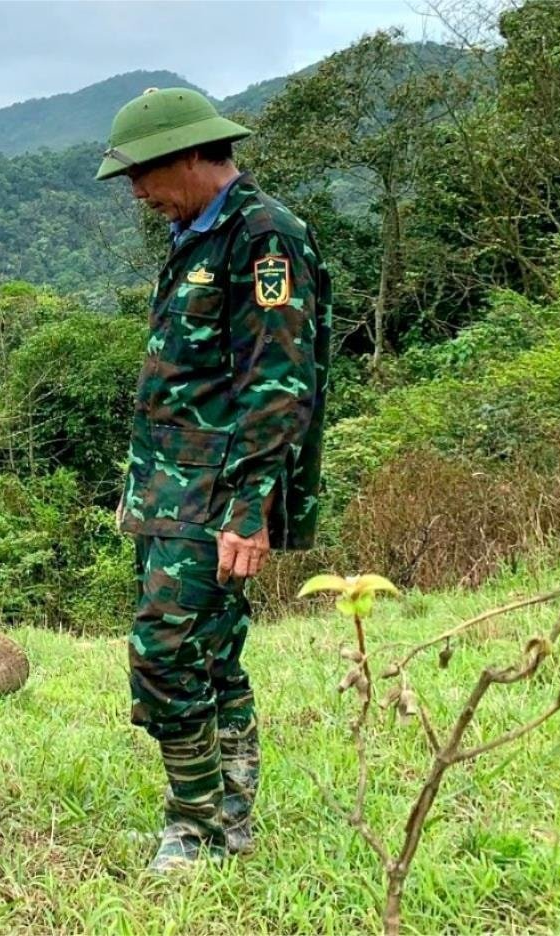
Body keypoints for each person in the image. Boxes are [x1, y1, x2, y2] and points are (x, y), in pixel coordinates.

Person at [95, 88, 331, 871]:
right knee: (211, 655)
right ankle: (225, 824)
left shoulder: (263, 239)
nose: (135, 191)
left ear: (193, 153)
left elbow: (278, 385)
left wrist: (250, 507)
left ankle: (193, 828)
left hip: (217, 494)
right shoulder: (193, 233)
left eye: (143, 173)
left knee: (165, 651)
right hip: (169, 487)